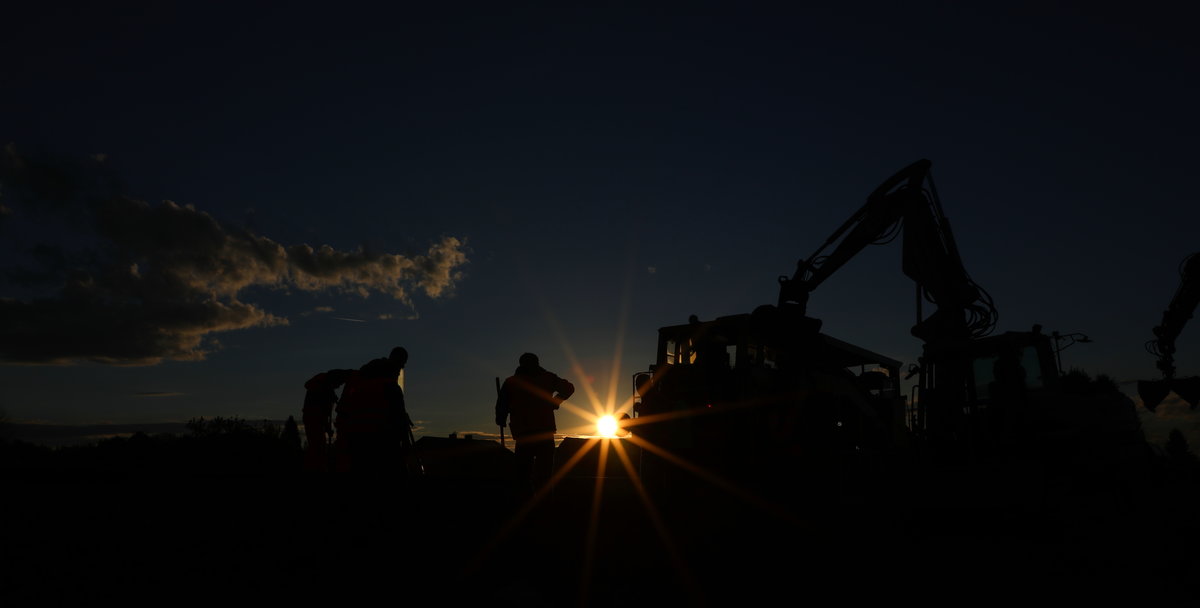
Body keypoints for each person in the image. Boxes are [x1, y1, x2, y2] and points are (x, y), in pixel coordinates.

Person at [495, 352, 575, 496]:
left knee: (525, 475)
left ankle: (530, 505)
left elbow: (502, 405)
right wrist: (555, 401)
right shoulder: (547, 378)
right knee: (540, 475)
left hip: (526, 433)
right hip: (540, 432)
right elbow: (568, 388)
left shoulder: (512, 382)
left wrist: (501, 417)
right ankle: (540, 505)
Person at [334, 347, 413, 474]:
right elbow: (398, 417)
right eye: (402, 363)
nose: (402, 368)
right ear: (397, 362)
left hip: (357, 440)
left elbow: (344, 408)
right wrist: (405, 441)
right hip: (382, 441)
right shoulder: (391, 387)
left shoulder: (360, 379)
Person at [302, 368, 353, 472]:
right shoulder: (322, 387)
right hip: (314, 420)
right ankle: (315, 469)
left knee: (318, 446)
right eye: (339, 383)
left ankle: (317, 467)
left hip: (315, 419)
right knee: (317, 447)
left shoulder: (323, 386)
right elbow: (322, 411)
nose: (338, 386)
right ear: (334, 380)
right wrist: (327, 426)